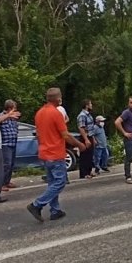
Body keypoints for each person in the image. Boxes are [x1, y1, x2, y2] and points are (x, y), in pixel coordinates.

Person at [27, 87, 87, 223]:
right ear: (58, 98)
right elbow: (65, 135)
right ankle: (37, 205)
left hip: (44, 152)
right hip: (55, 153)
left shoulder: (40, 113)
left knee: (52, 182)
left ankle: (55, 210)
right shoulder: (56, 114)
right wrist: (79, 144)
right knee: (60, 182)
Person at [0, 100, 21, 192]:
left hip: (13, 143)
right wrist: (8, 115)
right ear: (10, 108)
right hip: (5, 144)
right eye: (14, 109)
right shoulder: (1, 115)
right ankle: (2, 183)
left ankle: (7, 181)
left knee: (11, 164)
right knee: (6, 164)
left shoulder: (13, 118)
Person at [76, 99, 97, 179]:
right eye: (90, 104)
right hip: (85, 137)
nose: (91, 105)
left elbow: (91, 128)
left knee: (90, 155)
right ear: (86, 105)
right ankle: (84, 173)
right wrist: (86, 139)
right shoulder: (82, 115)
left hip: (90, 135)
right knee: (85, 155)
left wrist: (93, 138)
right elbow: (81, 128)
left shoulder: (89, 115)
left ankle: (89, 171)